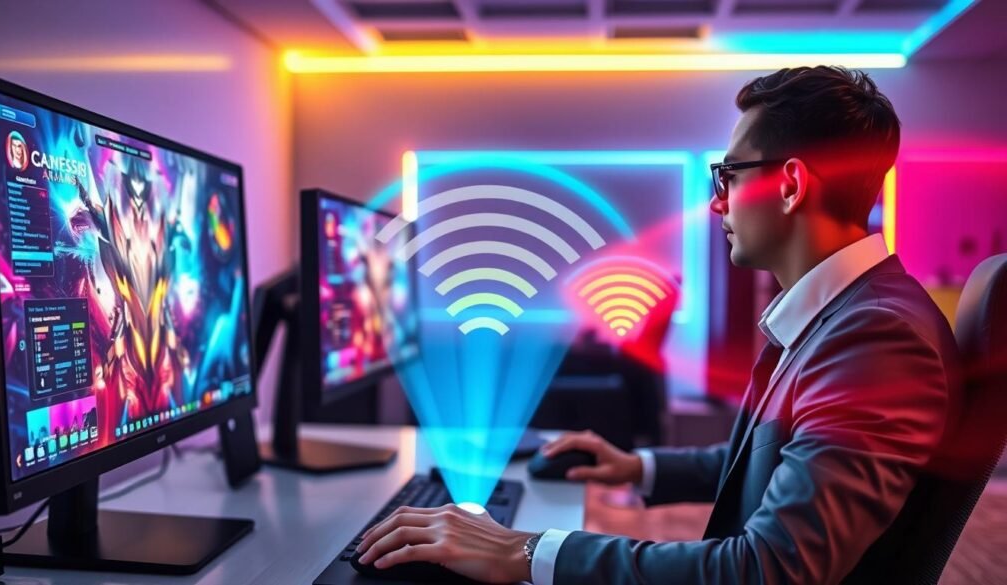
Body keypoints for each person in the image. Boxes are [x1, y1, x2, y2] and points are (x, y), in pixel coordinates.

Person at [355, 66, 961, 584]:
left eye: (729, 175)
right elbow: (778, 456)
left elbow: (768, 569)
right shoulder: (849, 316)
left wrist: (523, 551)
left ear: (791, 185)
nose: (717, 203)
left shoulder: (877, 339)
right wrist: (638, 466)